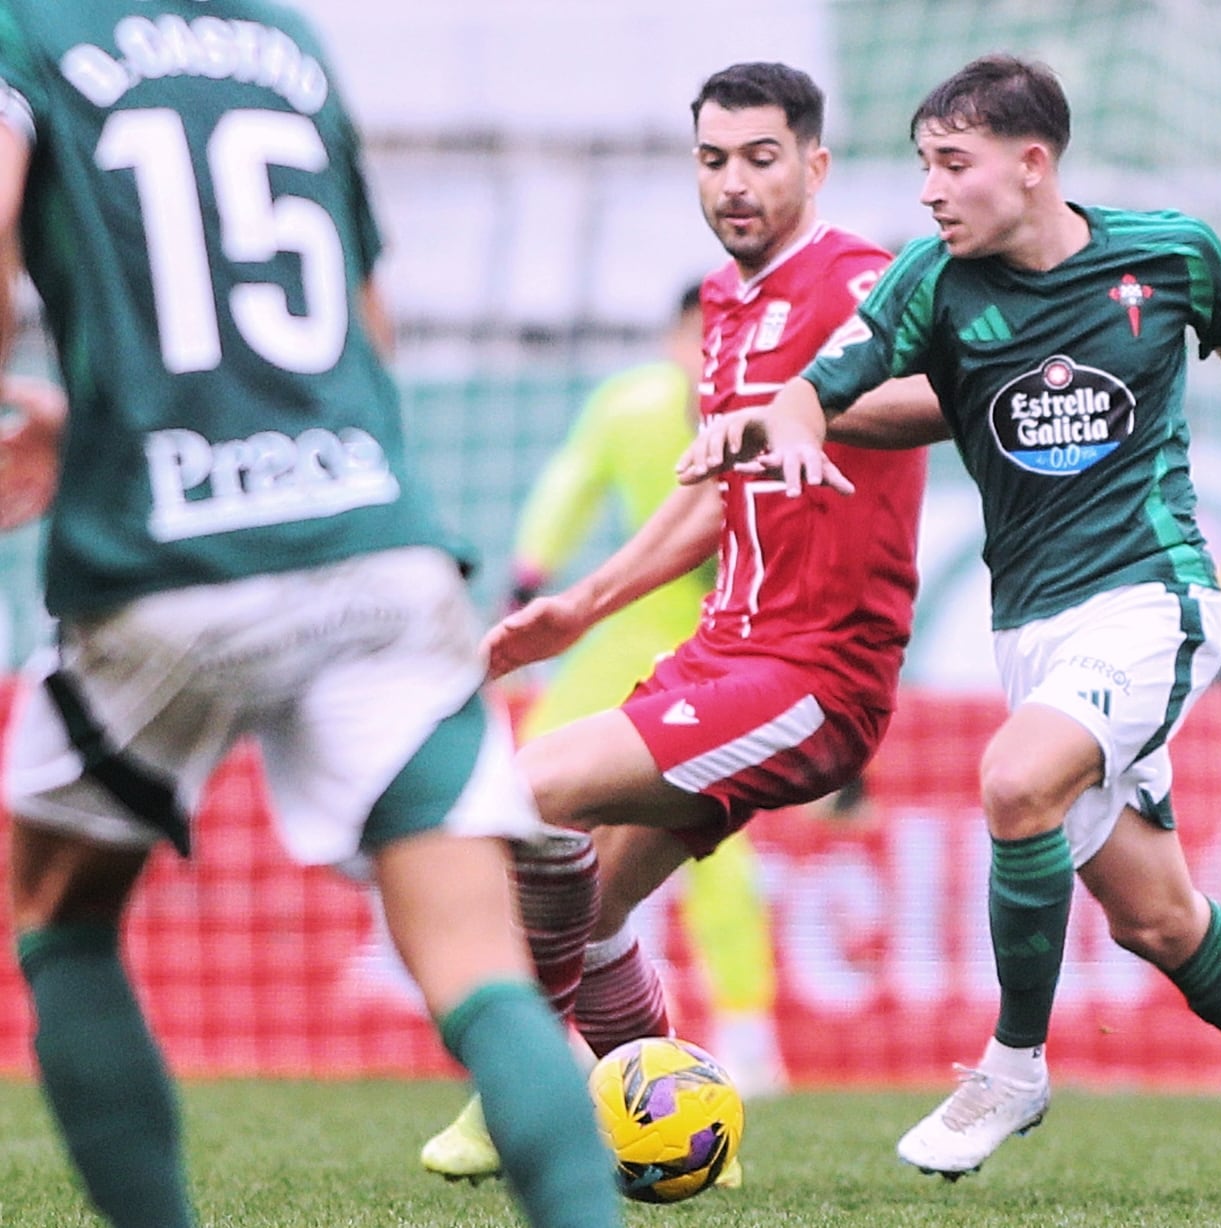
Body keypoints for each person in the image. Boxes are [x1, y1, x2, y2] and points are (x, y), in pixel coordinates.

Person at [685, 53, 1221, 1202]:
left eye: (951, 164)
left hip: (1156, 596)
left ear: (1030, 165)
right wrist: (775, 421)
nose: (928, 190)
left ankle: (1012, 1066)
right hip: (1030, 626)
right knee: (1160, 920)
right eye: (925, 165)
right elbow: (820, 386)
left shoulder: (1167, 252)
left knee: (1011, 782)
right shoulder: (929, 284)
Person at [0, 4, 618, 1227]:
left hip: (170, 551)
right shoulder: (284, 41)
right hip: (372, 539)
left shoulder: (30, 27)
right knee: (482, 971)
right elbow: (362, 322)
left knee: (59, 917)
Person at [417, 60, 933, 1184]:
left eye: (760, 157)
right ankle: (697, 1140)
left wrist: (805, 404)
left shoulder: (861, 278)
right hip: (721, 652)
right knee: (591, 908)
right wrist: (580, 604)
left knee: (530, 788)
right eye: (713, 160)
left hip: (814, 672)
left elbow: (948, 395)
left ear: (814, 162)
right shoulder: (722, 303)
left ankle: (520, 1094)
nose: (735, 183)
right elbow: (711, 491)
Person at [506, 281, 791, 1098]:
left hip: (688, 635)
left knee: (690, 835)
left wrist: (528, 579)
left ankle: (733, 1026)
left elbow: (567, 486)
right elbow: (571, 483)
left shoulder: (645, 405)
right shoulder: (665, 407)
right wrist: (531, 585)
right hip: (659, 631)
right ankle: (731, 1031)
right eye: (695, 336)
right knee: (555, 814)